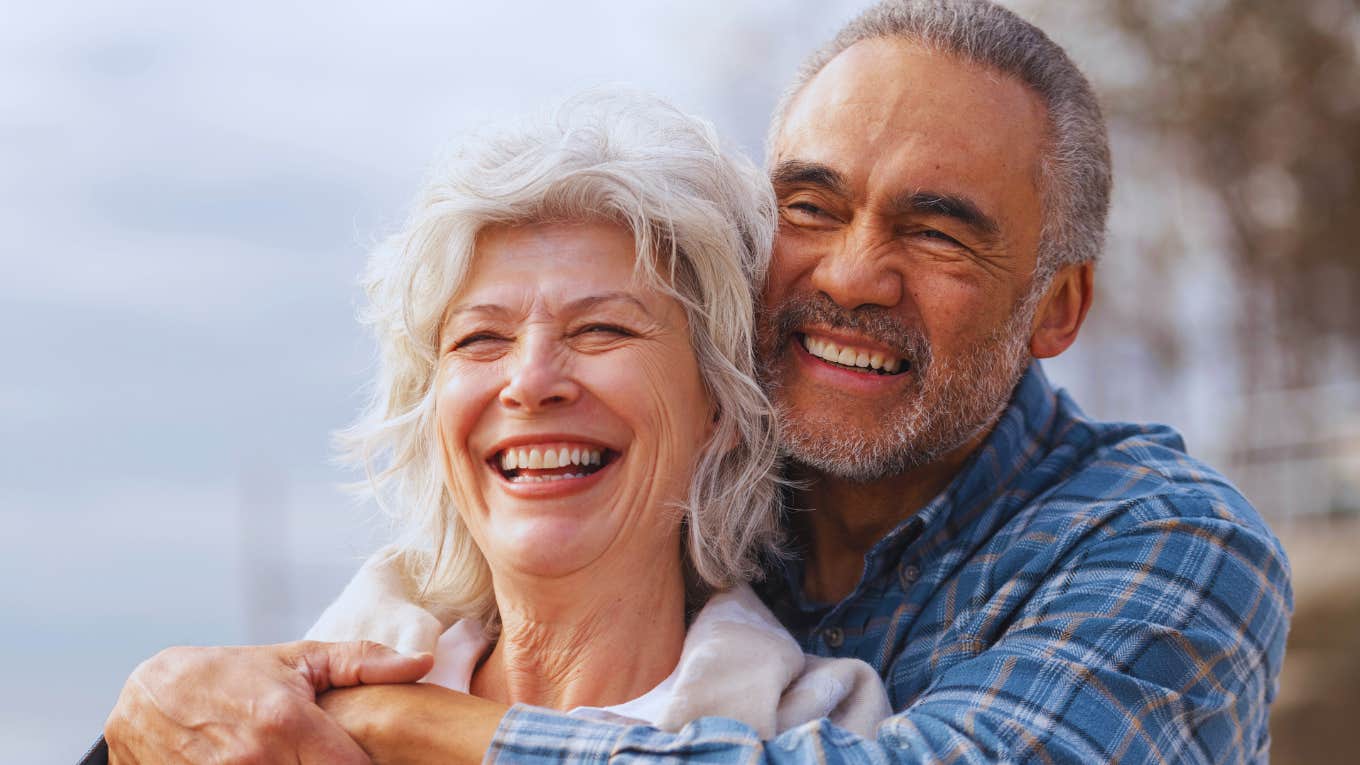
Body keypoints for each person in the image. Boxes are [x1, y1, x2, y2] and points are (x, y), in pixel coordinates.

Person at [96, 1, 1292, 763]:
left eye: (936, 232)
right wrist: (155, 703)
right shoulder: (657, 491)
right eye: (810, 207)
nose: (855, 274)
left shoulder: (1164, 542)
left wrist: (411, 728)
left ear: (1057, 308)